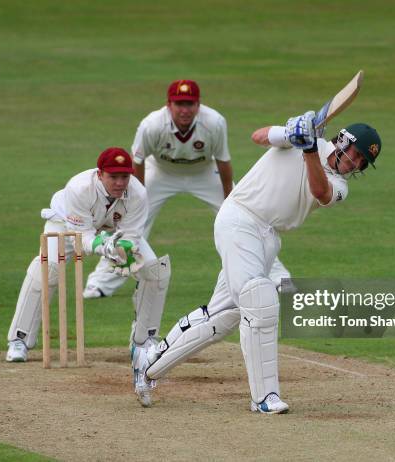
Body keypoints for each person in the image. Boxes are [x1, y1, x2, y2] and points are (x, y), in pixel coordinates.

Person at [132, 113, 382, 412]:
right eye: (356, 155)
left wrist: (309, 149)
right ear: (343, 140)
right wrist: (291, 132)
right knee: (260, 300)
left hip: (268, 237)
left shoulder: (339, 184)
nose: (355, 164)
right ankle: (264, 397)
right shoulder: (302, 139)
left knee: (223, 316)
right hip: (240, 217)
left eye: (362, 163)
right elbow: (259, 135)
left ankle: (149, 365)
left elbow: (320, 191)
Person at [83, 79, 290, 299]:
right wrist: (137, 196)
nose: (184, 110)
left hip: (204, 172)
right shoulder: (151, 125)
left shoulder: (214, 122)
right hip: (161, 172)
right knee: (130, 224)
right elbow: (138, 160)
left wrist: (229, 197)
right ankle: (100, 283)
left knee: (246, 219)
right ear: (168, 105)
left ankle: (277, 277)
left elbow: (223, 160)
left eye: (189, 104)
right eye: (179, 104)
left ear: (198, 105)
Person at [6, 148, 171, 395]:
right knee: (49, 267)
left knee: (154, 271)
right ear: (99, 174)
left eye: (124, 177)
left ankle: (143, 341)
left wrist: (123, 250)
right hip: (66, 223)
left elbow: (132, 236)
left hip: (111, 229)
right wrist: (103, 246)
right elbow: (82, 237)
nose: (119, 182)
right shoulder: (79, 188)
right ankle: (20, 339)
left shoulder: (138, 193)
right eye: (112, 176)